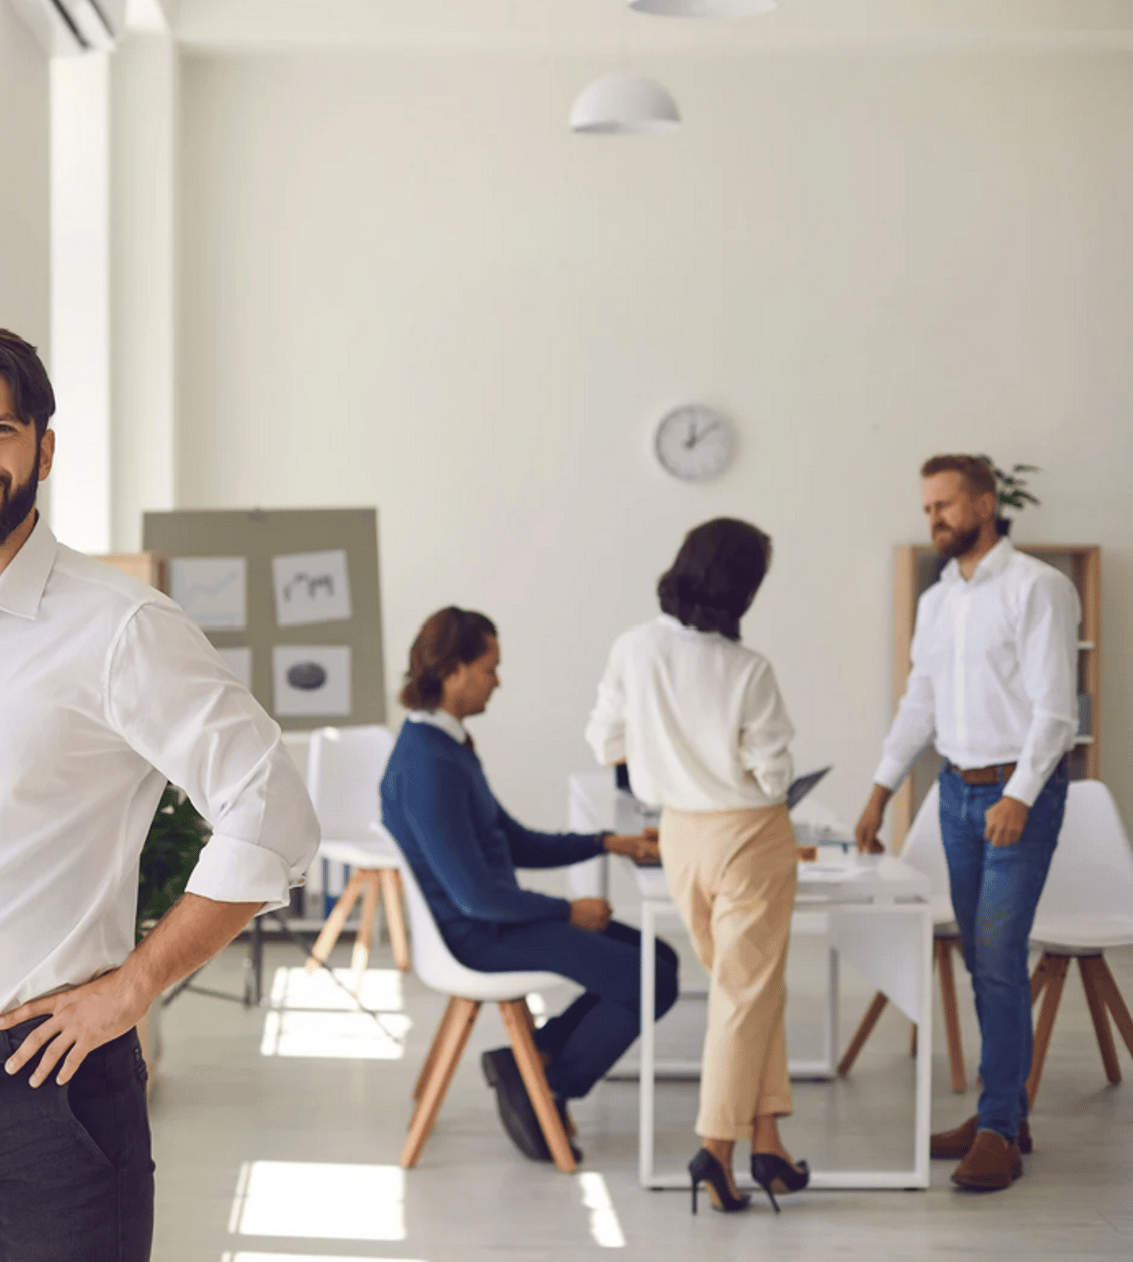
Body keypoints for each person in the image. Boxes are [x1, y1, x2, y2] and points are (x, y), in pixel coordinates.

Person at [0, 323, 320, 1261]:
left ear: (44, 449)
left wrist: (135, 986)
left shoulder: (120, 625)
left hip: (49, 1096)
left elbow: (272, 806)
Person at [379, 606, 677, 1166]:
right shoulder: (427, 764)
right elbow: (474, 895)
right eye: (490, 667)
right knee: (648, 980)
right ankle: (549, 1085)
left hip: (496, 918)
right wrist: (567, 910)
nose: (498, 680)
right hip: (479, 935)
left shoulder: (448, 746)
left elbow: (509, 841)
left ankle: (535, 1058)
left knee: (658, 957)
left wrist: (605, 842)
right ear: (454, 671)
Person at [854, 454, 1079, 1193]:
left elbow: (1055, 711)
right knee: (987, 959)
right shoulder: (939, 597)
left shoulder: (1040, 588)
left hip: (1019, 796)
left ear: (985, 504)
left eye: (945, 505)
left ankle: (996, 1128)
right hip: (953, 795)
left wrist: (1017, 794)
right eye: (927, 509)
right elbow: (920, 698)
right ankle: (1002, 1115)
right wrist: (882, 789)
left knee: (1000, 955)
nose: (934, 519)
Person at [586, 517, 806, 1214]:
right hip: (749, 837)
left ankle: (767, 1143)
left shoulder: (634, 647)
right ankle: (715, 1150)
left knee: (749, 993)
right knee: (745, 996)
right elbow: (774, 778)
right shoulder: (749, 670)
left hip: (678, 837)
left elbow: (605, 742)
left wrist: (668, 758)